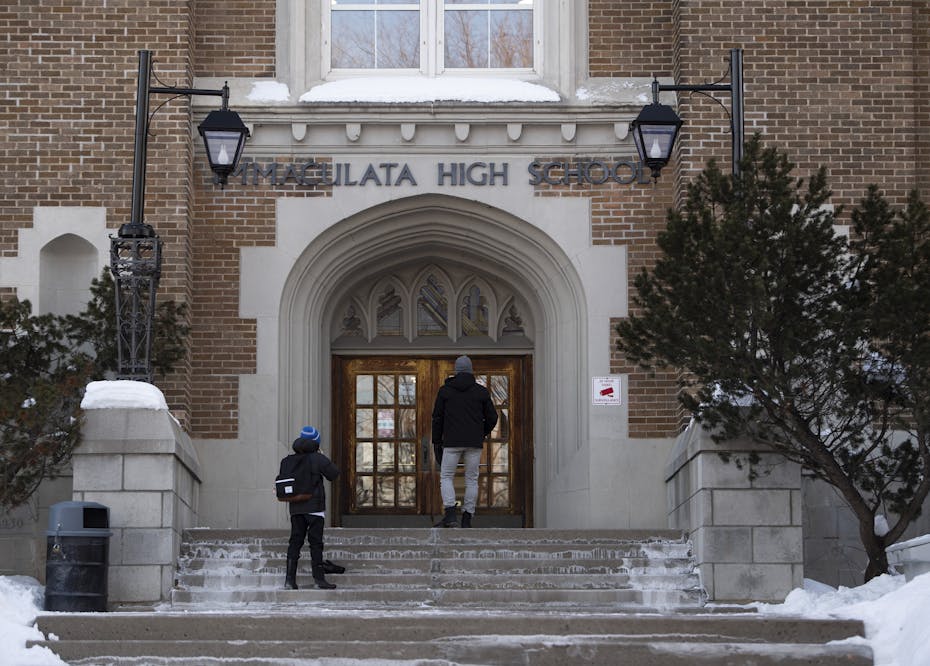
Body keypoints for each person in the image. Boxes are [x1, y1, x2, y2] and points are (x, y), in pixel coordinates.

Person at [431, 355, 498, 528]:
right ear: (470, 371)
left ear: (456, 371)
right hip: (473, 443)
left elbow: (437, 418)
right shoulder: (481, 392)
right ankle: (467, 517)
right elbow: (493, 417)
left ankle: (451, 514)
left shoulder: (445, 391)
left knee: (446, 476)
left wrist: (437, 441)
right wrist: (481, 433)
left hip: (451, 442)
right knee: (471, 479)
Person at [282, 425, 341, 590]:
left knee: (295, 542)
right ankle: (319, 579)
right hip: (314, 508)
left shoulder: (289, 460)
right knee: (315, 543)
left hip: (295, 508)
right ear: (316, 442)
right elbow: (334, 474)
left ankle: (289, 580)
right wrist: (322, 456)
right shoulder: (317, 458)